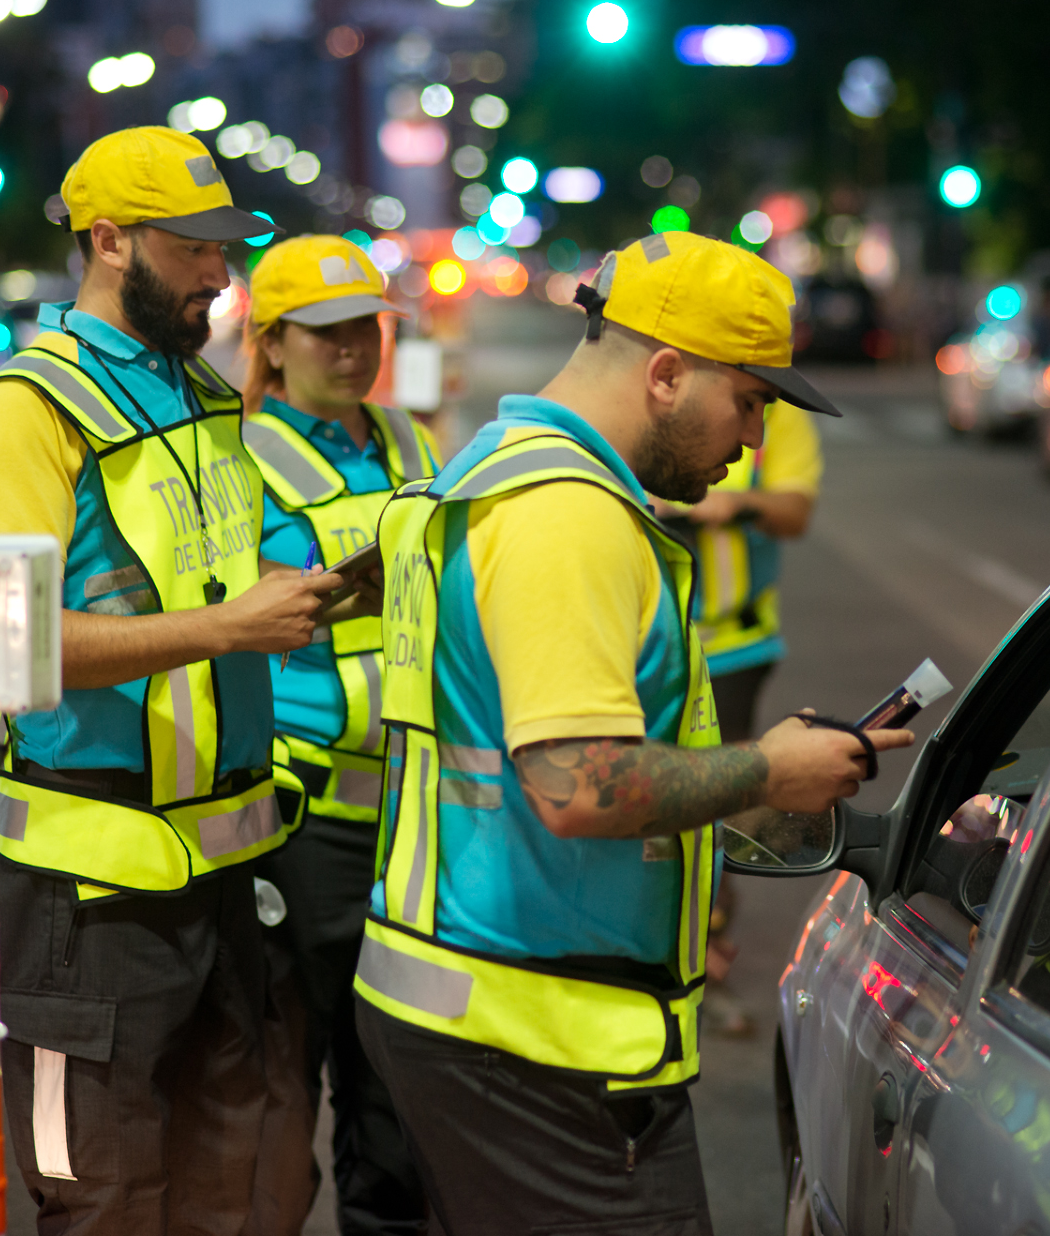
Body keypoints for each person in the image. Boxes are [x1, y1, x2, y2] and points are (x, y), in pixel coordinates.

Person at [352, 230, 916, 1233]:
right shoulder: (568, 515)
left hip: (491, 1003)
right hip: (534, 1033)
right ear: (665, 374)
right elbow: (577, 784)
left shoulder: (505, 464)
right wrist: (766, 771)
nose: (752, 436)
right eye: (748, 399)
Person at [0, 126, 344, 1233]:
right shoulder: (29, 408)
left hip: (225, 870)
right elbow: (3, 641)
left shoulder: (197, 397)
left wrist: (286, 597)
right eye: (197, 249)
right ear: (109, 241)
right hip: (93, 889)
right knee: (108, 1201)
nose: (223, 274)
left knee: (246, 1195)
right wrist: (224, 626)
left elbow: (184, 581)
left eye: (227, 249)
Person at [236, 234, 440, 1234]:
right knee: (279, 1097)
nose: (354, 349)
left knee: (396, 1099)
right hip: (300, 822)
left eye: (366, 326)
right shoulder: (236, 459)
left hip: (414, 820)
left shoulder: (414, 443)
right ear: (272, 345)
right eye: (326, 333)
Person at [661, 396, 824, 1033]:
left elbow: (797, 510)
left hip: (734, 647)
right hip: (652, 640)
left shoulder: (778, 419)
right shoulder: (659, 408)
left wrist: (737, 503)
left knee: (715, 800)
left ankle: (703, 950)